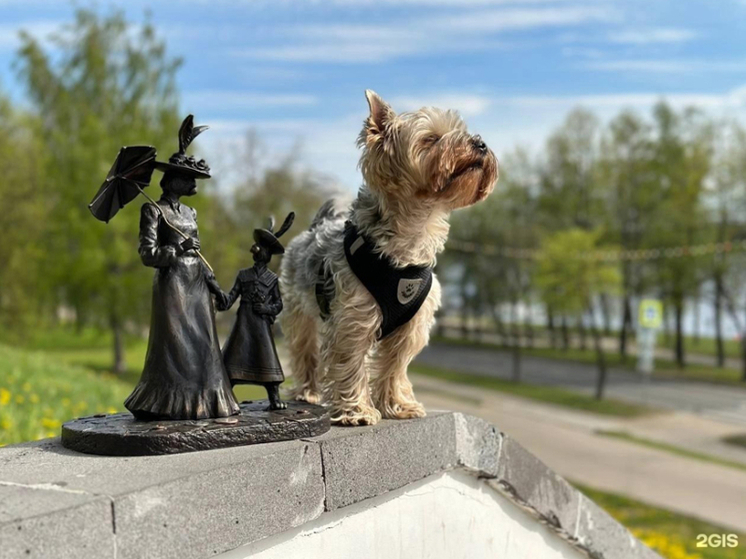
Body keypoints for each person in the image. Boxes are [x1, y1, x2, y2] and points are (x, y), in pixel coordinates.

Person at [124, 116, 239, 420]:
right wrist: (174, 250)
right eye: (188, 180)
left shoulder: (191, 212)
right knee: (175, 349)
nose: (193, 185)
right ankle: (167, 404)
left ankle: (207, 403)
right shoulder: (153, 210)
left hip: (197, 286)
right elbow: (147, 255)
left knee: (204, 347)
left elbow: (200, 256)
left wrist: (215, 287)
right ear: (174, 180)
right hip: (172, 287)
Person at [217, 213, 294, 410]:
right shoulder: (243, 275)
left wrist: (266, 308)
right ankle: (225, 396)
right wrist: (215, 290)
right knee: (233, 362)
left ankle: (274, 398)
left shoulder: (271, 279)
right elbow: (229, 299)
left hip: (260, 326)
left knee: (266, 357)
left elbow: (279, 305)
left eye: (263, 248)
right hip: (243, 325)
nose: (258, 250)